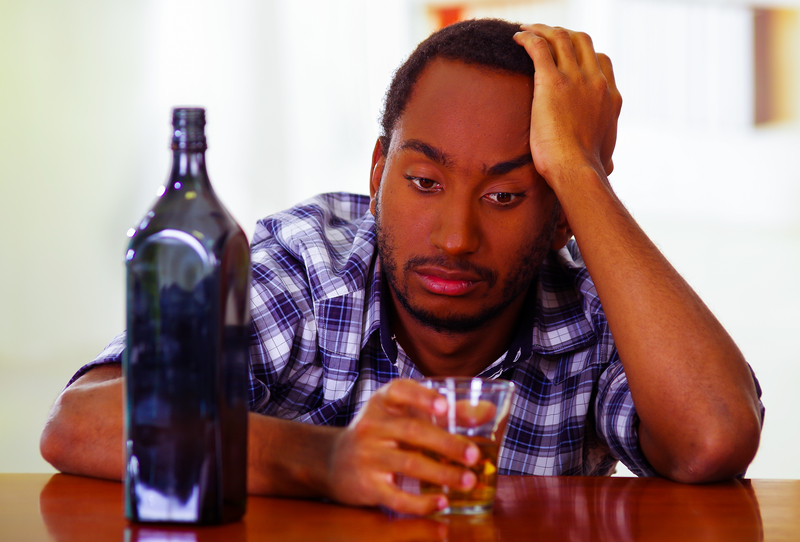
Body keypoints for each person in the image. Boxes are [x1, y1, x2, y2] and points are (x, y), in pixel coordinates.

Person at [40, 19, 763, 516]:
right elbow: (81, 423)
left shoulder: (594, 307)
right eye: (423, 183)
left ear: (560, 220)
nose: (455, 236)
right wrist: (326, 462)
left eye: (508, 195)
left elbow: (713, 438)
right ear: (378, 168)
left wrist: (581, 171)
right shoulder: (311, 261)